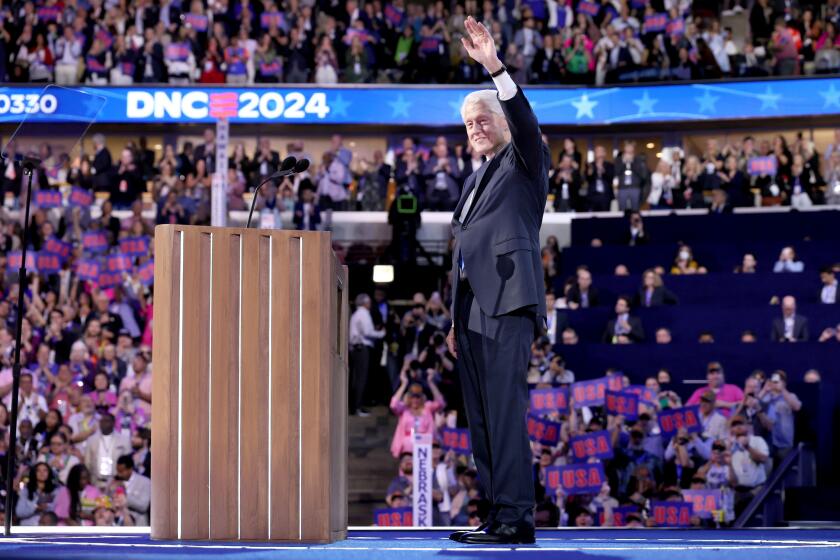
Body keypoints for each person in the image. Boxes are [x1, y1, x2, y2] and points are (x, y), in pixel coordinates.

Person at [446, 17, 549, 545]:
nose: (476, 127)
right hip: (470, 313)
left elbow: (524, 120)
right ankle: (497, 514)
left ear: (503, 122)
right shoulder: (472, 179)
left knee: (506, 414)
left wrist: (494, 68)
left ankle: (516, 518)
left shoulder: (524, 161)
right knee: (482, 420)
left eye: (483, 117)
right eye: (468, 123)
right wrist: (451, 318)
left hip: (508, 303)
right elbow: (464, 253)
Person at [389, 369, 445, 458]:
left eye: (418, 397)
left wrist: (430, 382)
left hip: (425, 444)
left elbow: (441, 403)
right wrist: (404, 384)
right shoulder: (404, 409)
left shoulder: (427, 408)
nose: (415, 400)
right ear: (408, 398)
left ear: (422, 398)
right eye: (412, 397)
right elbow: (393, 405)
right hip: (407, 447)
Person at [348, 294, 385, 417]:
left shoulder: (357, 314)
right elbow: (368, 332)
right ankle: (357, 407)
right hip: (361, 348)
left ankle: (356, 406)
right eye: (369, 302)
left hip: (356, 348)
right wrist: (381, 334)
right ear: (365, 303)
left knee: (357, 378)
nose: (370, 305)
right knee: (361, 378)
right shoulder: (363, 313)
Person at [115, 454, 151, 525]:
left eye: (122, 471)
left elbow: (144, 506)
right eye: (118, 471)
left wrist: (126, 498)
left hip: (138, 525)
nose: (119, 474)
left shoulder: (145, 482)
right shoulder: (114, 481)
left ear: (130, 469)